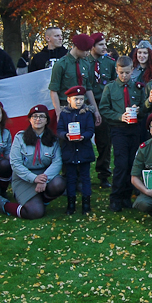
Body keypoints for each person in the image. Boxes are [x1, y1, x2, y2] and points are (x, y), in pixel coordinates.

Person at [0, 105, 66, 219]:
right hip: (23, 178)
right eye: (34, 116)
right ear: (29, 119)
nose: (38, 119)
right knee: (35, 212)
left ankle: (42, 200)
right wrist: (34, 178)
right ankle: (5, 205)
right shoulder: (20, 138)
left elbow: (57, 162)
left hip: (44, 176)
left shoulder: (53, 140)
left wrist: (44, 178)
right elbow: (15, 163)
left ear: (46, 120)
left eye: (41, 116)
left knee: (59, 183)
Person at [99, 56, 147, 213]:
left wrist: (139, 110)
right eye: (121, 73)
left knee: (133, 163)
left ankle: (127, 195)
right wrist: (120, 116)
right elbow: (104, 109)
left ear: (132, 70)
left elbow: (144, 106)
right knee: (121, 163)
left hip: (135, 129)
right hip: (118, 129)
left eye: (127, 72)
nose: (124, 76)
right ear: (116, 71)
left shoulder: (139, 88)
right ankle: (116, 197)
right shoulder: (110, 88)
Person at [57, 86, 96, 215]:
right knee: (71, 178)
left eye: (81, 99)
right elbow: (60, 130)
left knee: (85, 177)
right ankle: (71, 204)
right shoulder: (64, 114)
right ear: (69, 99)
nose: (79, 102)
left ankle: (86, 204)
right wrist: (65, 136)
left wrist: (84, 136)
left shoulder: (87, 113)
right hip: (69, 150)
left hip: (84, 149)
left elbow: (91, 130)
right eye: (75, 99)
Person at [48, 33, 101, 125]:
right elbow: (53, 90)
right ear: (78, 48)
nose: (88, 53)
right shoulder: (61, 64)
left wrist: (96, 110)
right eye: (86, 50)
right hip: (66, 107)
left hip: (83, 108)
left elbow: (88, 88)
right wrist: (58, 113)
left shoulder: (85, 63)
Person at [87, 32, 117, 189]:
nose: (104, 47)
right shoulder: (84, 62)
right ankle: (79, 174)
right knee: (82, 139)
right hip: (86, 106)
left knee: (105, 141)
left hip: (104, 105)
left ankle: (104, 174)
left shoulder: (110, 63)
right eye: (101, 45)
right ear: (92, 46)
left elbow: (113, 84)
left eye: (105, 44)